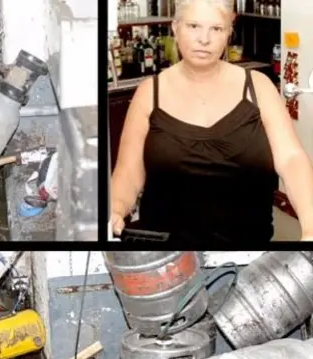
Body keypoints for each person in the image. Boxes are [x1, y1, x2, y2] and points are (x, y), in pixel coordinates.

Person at [110, 0, 313, 243]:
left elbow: (291, 159)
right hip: (166, 251)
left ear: (229, 31)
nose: (204, 39)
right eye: (194, 26)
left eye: (216, 28)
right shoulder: (148, 93)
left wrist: (310, 226)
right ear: (175, 27)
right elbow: (128, 172)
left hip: (248, 246)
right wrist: (116, 208)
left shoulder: (258, 87)